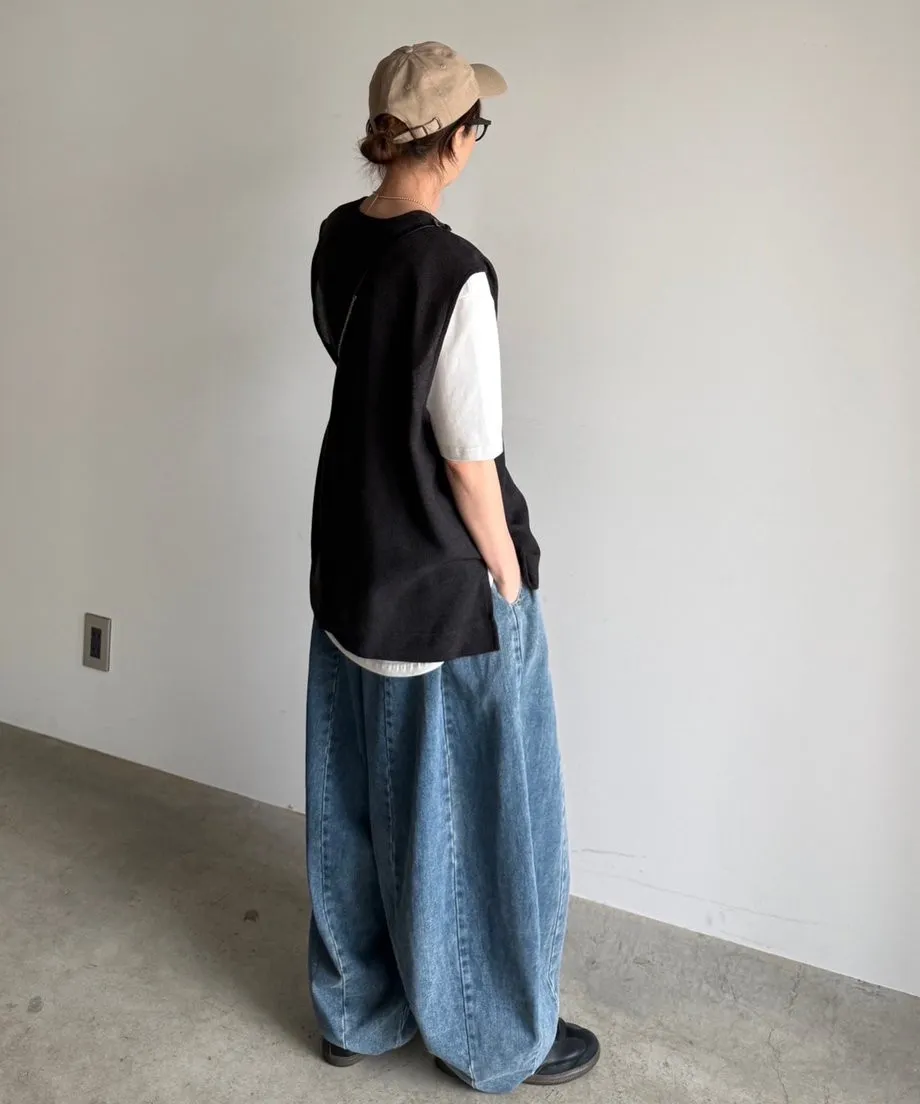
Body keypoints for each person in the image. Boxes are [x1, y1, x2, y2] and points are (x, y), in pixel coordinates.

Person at [306, 41, 599, 1093]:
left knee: (352, 800)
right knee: (473, 818)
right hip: (437, 586)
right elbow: (468, 460)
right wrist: (508, 580)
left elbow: (362, 373)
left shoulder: (338, 238)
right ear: (458, 140)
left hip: (351, 563)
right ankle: (489, 1036)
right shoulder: (452, 271)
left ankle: (357, 1013)